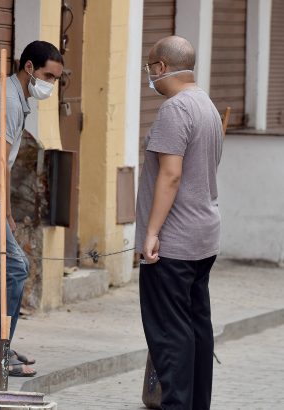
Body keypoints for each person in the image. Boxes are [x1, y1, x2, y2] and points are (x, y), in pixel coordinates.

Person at [0, 41, 63, 377]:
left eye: (57, 79)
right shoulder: (6, 99)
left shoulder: (15, 98)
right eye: (48, 75)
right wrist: (5, 209)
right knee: (15, 269)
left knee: (12, 268)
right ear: (29, 68)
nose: (51, 84)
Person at [137, 35, 223, 410]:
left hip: (174, 242)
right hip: (204, 236)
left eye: (150, 68)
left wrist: (152, 232)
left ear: (161, 68)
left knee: (170, 335)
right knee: (195, 329)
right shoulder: (206, 104)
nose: (149, 76)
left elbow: (170, 176)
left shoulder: (175, 109)